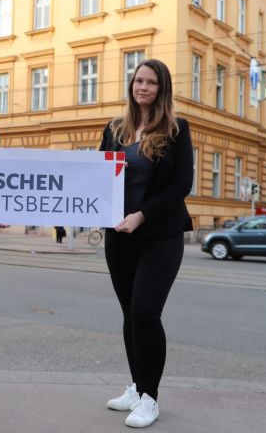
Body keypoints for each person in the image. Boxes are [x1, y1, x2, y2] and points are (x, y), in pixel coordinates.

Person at [98, 59, 193, 428]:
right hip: (118, 236)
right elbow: (97, 174)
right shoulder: (116, 128)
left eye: (151, 82)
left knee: (145, 313)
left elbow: (181, 183)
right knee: (129, 315)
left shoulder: (176, 129)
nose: (143, 87)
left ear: (162, 88)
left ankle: (151, 399)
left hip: (159, 235)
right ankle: (137, 388)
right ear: (131, 84)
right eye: (138, 80)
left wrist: (142, 215)